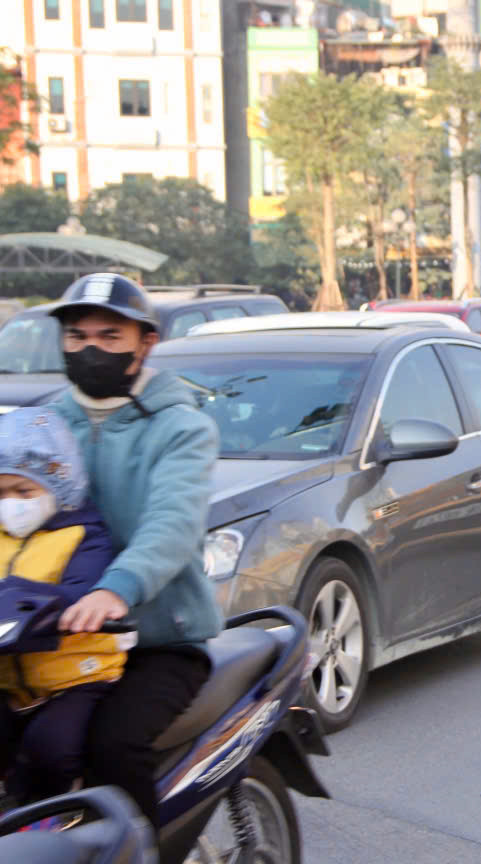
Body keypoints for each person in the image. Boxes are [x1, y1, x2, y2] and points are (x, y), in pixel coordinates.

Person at [48, 273, 224, 830]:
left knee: (114, 748)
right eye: (76, 337)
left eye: (109, 335)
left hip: (158, 639)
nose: (90, 349)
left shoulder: (181, 427)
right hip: (51, 637)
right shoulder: (44, 423)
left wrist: (114, 589)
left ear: (145, 342)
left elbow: (172, 523)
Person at [0, 407, 130, 807]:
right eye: (1, 493)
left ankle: (54, 813)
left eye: (24, 492)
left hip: (76, 675)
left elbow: (79, 592)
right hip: (11, 679)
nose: (11, 504)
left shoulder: (84, 535)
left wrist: (15, 599)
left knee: (51, 748)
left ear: (60, 484)